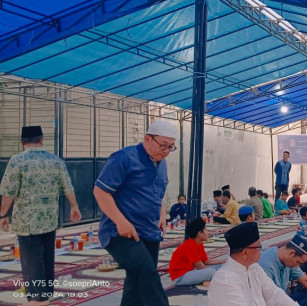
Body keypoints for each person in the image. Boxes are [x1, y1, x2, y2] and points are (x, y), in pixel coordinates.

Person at [93, 121, 177, 305]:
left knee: (136, 284)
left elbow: (157, 191)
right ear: (148, 139)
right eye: (163, 145)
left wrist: (162, 213)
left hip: (149, 232)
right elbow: (100, 191)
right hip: (120, 232)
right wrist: (120, 221)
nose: (166, 151)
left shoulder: (161, 164)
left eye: (171, 147)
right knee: (147, 273)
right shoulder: (124, 158)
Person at [0, 126, 82, 306]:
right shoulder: (55, 161)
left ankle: (37, 300)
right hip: (50, 220)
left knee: (31, 260)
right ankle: (45, 295)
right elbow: (68, 186)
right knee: (46, 257)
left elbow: (9, 191)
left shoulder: (17, 160)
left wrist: (2, 214)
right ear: (42, 140)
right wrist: (74, 206)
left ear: (22, 143)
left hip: (27, 222)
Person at [207, 222, 297, 305]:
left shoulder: (254, 268)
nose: (260, 251)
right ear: (245, 252)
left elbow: (275, 295)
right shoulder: (225, 280)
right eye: (258, 247)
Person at [259, 234, 307, 306]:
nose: (297, 266)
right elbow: (268, 299)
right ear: (292, 253)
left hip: (282, 297)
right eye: (298, 262)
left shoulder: (288, 259)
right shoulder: (266, 265)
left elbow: (305, 280)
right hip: (268, 301)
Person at [169, 218, 226, 286]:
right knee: (211, 271)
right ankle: (208, 279)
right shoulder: (190, 245)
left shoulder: (199, 244)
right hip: (180, 277)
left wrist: (224, 261)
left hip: (191, 271)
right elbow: (200, 266)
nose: (208, 233)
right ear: (200, 233)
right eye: (206, 230)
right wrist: (216, 270)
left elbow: (206, 261)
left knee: (222, 266)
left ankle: (206, 279)